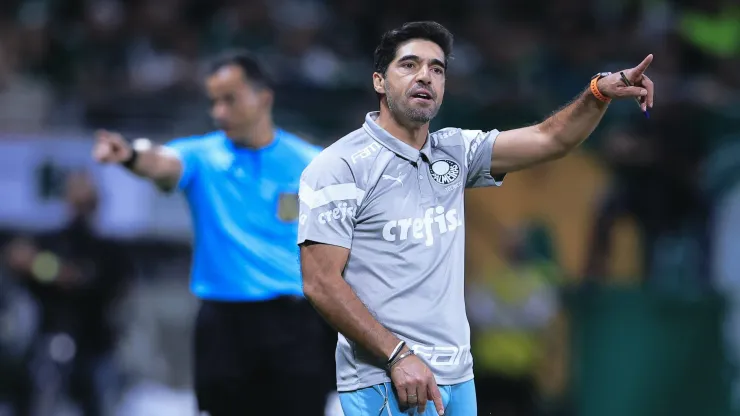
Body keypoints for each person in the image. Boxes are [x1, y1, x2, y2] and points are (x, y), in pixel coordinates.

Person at [298, 21, 654, 416]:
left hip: (457, 380)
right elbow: (320, 282)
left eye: (436, 69)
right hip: (386, 379)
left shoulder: (455, 151)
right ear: (379, 81)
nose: (425, 76)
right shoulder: (339, 166)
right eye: (410, 65)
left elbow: (550, 139)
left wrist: (597, 92)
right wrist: (397, 355)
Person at [92, 50, 330, 415]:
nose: (219, 112)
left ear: (263, 98)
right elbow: (159, 161)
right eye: (214, 101)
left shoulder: (311, 162)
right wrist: (130, 155)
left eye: (229, 99)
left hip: (294, 326)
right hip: (225, 327)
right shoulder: (200, 157)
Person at [3, 171, 129, 416]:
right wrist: (50, 269)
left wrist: (54, 271)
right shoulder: (52, 240)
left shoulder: (107, 249)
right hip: (49, 342)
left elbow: (87, 278)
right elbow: (19, 258)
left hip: (94, 348)